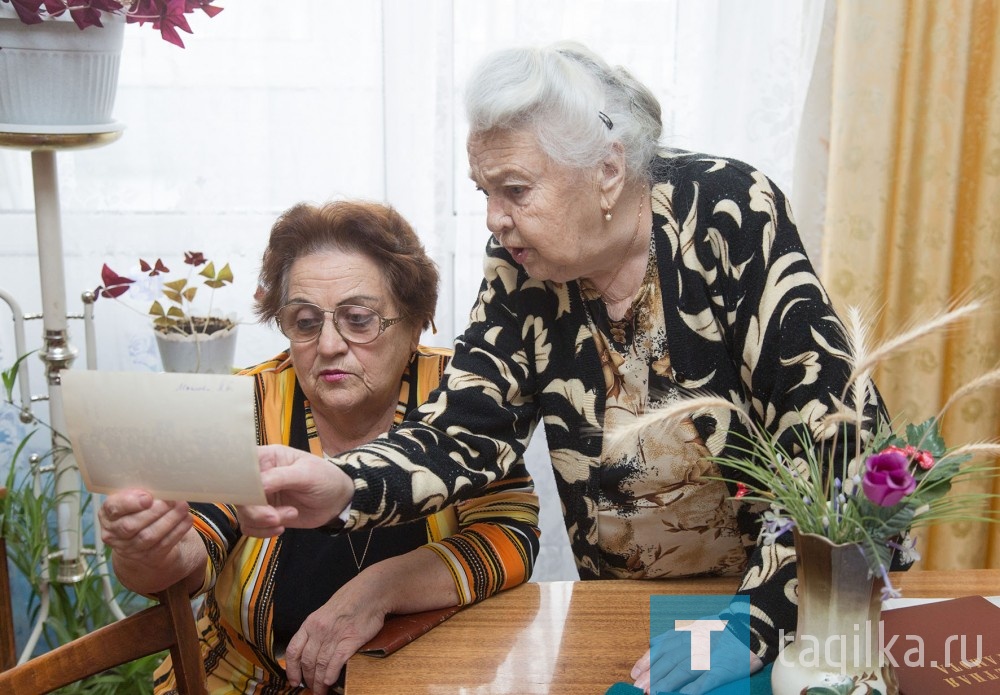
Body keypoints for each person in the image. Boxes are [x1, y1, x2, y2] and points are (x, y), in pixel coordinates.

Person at [239, 42, 884, 694]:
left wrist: (755, 619)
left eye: (514, 189)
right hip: (621, 609)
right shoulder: (520, 266)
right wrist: (343, 482)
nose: (494, 218)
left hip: (771, 598)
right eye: (484, 191)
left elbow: (837, 433)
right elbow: (466, 432)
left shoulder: (728, 211)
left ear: (608, 169)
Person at [98, 201, 541, 695]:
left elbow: (510, 534)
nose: (328, 344)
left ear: (416, 323)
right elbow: (186, 561)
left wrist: (383, 588)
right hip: (248, 681)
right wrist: (150, 547)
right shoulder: (246, 404)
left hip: (423, 681)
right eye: (305, 322)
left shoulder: (461, 397)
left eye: (358, 318)